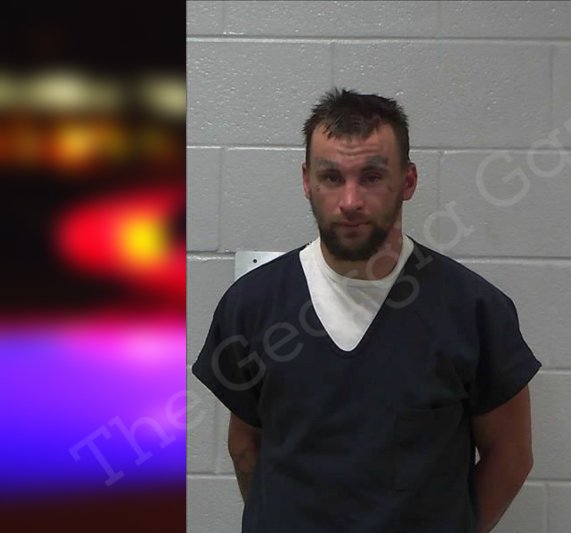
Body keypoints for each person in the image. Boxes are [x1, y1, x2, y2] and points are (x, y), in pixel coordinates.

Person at [191, 88, 542, 532]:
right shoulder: (253, 304)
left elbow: (511, 456)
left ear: (408, 181)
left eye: (372, 176)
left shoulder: (473, 310)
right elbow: (245, 447)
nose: (351, 201)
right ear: (307, 181)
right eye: (332, 177)